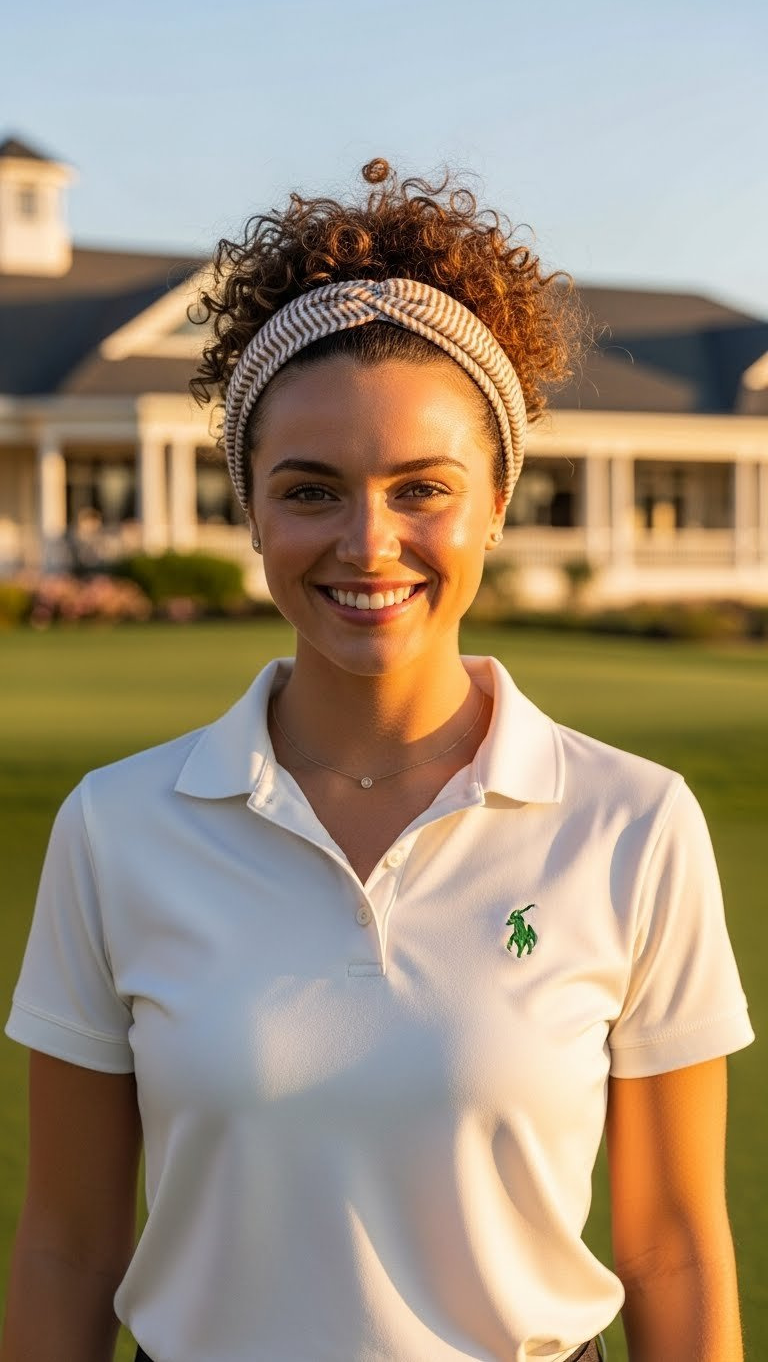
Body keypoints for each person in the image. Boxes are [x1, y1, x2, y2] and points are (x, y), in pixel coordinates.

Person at [2, 160, 755, 1362]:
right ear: (249, 507)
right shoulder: (114, 828)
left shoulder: (635, 823)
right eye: (311, 490)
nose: (369, 542)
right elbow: (67, 1247)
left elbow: (672, 1247)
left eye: (424, 489)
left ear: (498, 500)